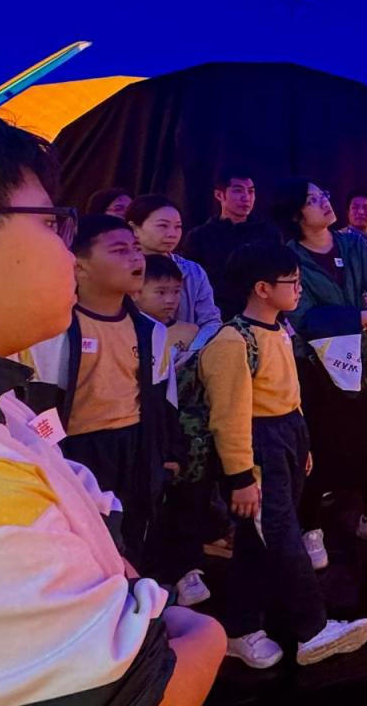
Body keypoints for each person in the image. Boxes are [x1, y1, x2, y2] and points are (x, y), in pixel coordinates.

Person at [0, 116, 222, 706]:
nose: (64, 250)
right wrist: (200, 634)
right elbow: (132, 699)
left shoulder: (3, 402)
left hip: (133, 446)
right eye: (51, 223)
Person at [201, 242, 367, 668]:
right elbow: (228, 417)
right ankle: (313, 629)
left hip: (287, 437)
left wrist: (303, 444)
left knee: (257, 539)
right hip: (259, 444)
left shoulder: (279, 329)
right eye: (292, 282)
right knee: (280, 534)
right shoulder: (232, 341)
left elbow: (289, 394)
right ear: (262, 288)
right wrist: (241, 477)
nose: (299, 289)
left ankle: (240, 628)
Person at [21, 214, 183, 564]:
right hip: (77, 449)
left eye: (136, 249)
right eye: (120, 250)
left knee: (131, 533)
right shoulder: (51, 330)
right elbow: (38, 404)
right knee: (85, 539)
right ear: (79, 266)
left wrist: (165, 452)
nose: (135, 258)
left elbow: (162, 400)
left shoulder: (151, 331)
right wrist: (50, 456)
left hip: (133, 446)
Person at [270, 179, 367, 564]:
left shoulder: (354, 244)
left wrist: (361, 316)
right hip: (319, 368)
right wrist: (359, 316)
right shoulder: (289, 257)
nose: (324, 202)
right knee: (319, 445)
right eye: (312, 200)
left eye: (323, 195)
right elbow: (304, 317)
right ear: (297, 215)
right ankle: (311, 528)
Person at [135, 254, 212, 607]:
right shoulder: (132, 332)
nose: (170, 300)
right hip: (142, 436)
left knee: (188, 503)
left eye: (175, 292)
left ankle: (188, 570)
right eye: (160, 292)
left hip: (185, 435)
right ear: (137, 291)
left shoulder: (189, 333)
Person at [180, 168, 280, 320]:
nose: (246, 198)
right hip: (215, 316)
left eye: (251, 191)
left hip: (261, 314)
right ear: (219, 195)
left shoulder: (268, 234)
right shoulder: (199, 237)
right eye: (238, 191)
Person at [127, 194, 221, 331]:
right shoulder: (121, 269)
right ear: (134, 228)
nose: (172, 234)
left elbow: (210, 321)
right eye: (162, 226)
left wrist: (192, 344)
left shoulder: (192, 271)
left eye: (178, 227)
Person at [341, 189, 367, 260]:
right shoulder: (339, 238)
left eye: (366, 208)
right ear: (348, 212)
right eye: (355, 207)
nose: (361, 212)